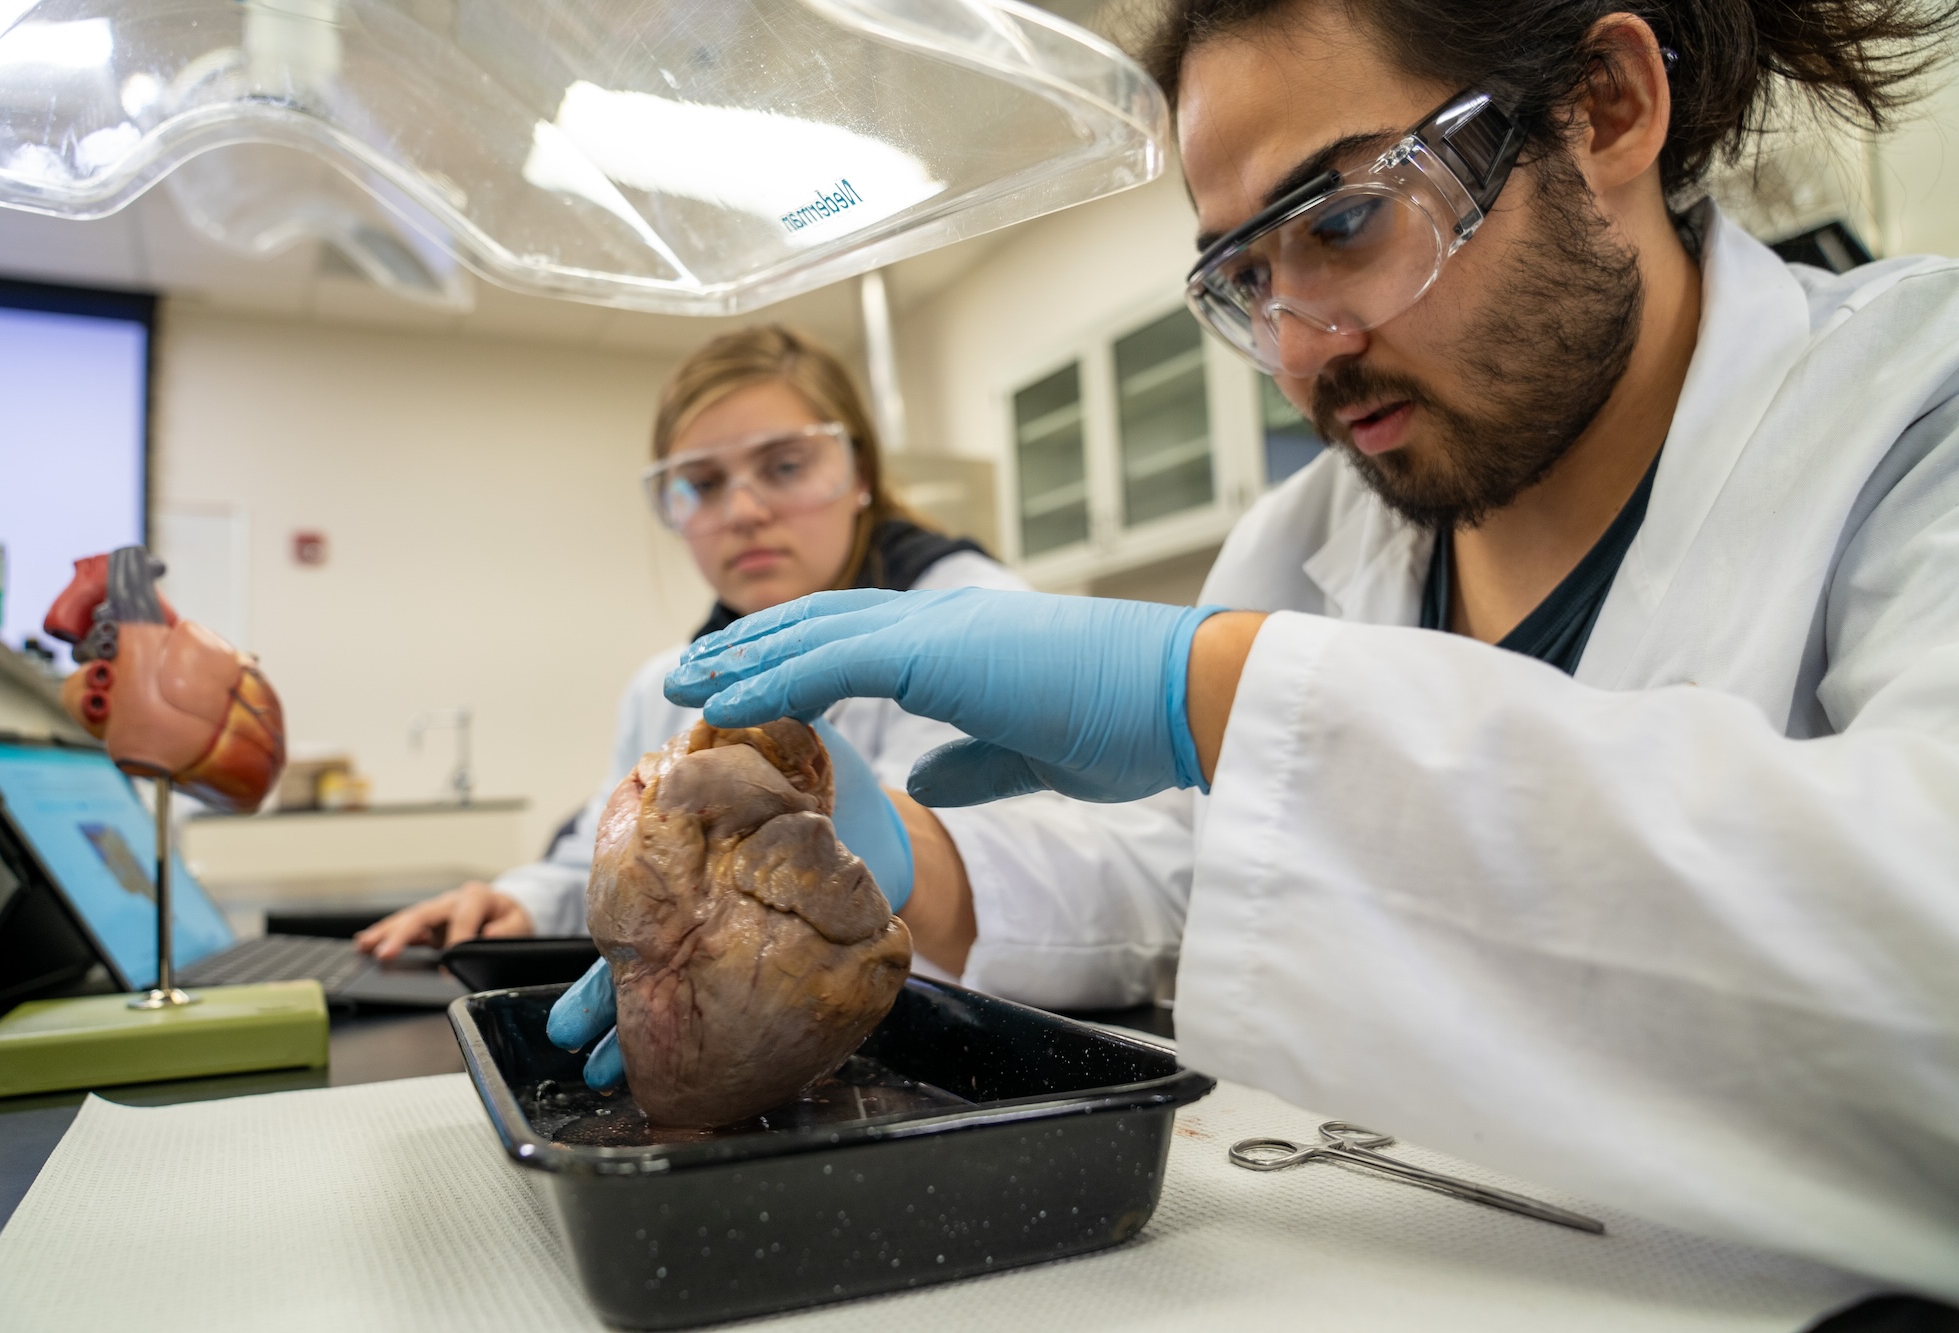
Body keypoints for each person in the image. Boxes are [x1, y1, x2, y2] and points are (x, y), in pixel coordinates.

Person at [653, 0, 1959, 1298]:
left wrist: (1214, 692)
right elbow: (1209, 873)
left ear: (1606, 106)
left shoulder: (1915, 407)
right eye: (1246, 278)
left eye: (1342, 224)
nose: (1295, 350)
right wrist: (902, 862)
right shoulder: (1311, 533)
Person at [354, 325, 1190, 1004]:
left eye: (786, 465)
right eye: (702, 483)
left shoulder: (977, 619)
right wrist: (521, 903)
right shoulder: (671, 684)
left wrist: (913, 859)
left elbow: (1135, 895)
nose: (745, 509)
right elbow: (609, 857)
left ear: (858, 473)